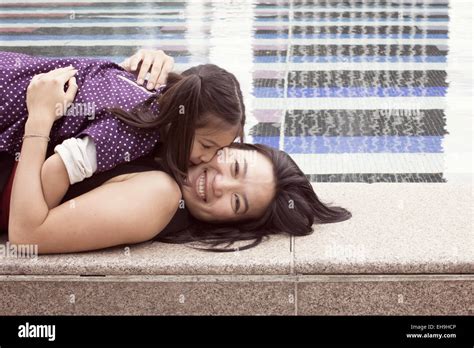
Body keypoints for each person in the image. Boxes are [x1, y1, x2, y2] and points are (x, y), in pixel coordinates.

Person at [6, 67, 352, 254]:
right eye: (232, 165)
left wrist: (39, 119)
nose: (218, 182)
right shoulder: (162, 140)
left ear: (230, 224)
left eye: (236, 201)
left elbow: (26, 235)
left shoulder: (160, 194)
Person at [0, 50, 245, 209]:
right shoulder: (133, 133)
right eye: (207, 145)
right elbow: (55, 170)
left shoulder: (146, 86)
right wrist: (39, 212)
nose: (207, 159)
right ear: (182, 120)